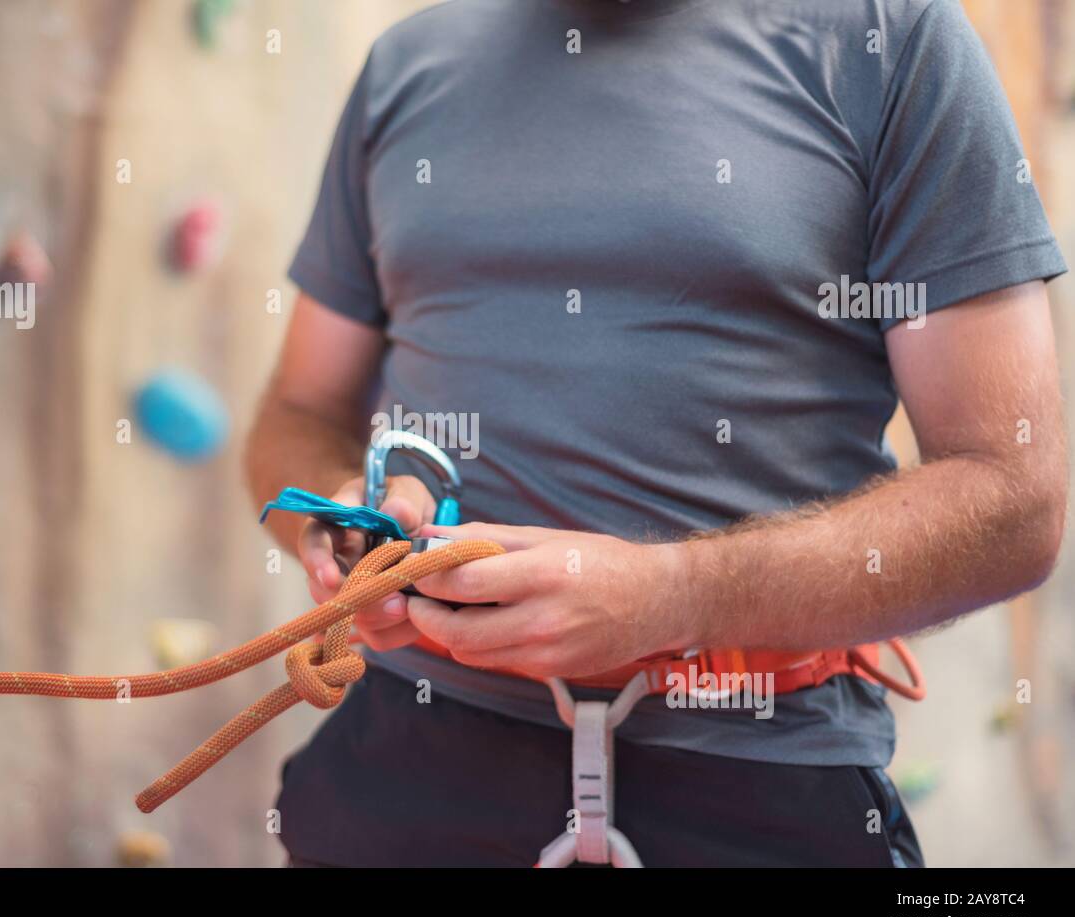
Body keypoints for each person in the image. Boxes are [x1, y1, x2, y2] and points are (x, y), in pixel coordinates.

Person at [246, 0, 1068, 866]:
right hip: (400, 769)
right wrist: (336, 523)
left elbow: (1012, 499)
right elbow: (299, 415)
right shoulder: (406, 65)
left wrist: (674, 594)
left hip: (756, 780)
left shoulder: (892, 46)